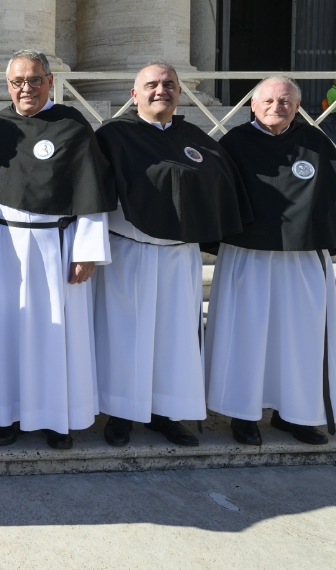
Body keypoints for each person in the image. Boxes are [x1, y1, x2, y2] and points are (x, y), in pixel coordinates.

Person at [93, 62, 252, 448]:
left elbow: (220, 184)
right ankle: (121, 413)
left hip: (179, 256)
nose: (160, 90)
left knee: (174, 338)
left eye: (168, 84)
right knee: (124, 335)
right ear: (135, 94)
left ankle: (166, 413)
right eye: (151, 84)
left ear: (180, 93)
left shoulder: (195, 138)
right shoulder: (112, 135)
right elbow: (91, 191)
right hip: (128, 251)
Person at [206, 76, 336, 446]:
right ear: (252, 105)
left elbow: (335, 198)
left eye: (284, 101)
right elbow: (213, 195)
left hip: (302, 260)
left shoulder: (315, 142)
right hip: (247, 256)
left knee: (301, 339)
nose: (275, 107)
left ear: (297, 107)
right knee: (245, 335)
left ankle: (296, 414)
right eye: (268, 100)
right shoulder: (233, 144)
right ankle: (243, 414)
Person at [0, 50, 116, 450]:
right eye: (18, 82)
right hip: (4, 245)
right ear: (7, 86)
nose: (26, 88)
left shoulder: (72, 126)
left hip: (57, 246)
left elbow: (91, 191)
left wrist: (86, 251)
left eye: (34, 80)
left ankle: (57, 418)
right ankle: (6, 415)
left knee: (58, 336)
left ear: (50, 82)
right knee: (6, 330)